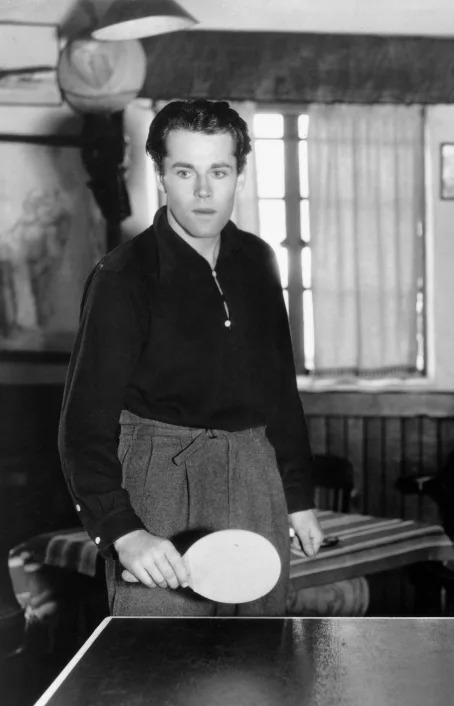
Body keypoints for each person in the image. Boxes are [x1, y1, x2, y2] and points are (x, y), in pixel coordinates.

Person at [58, 99, 323, 617]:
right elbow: (82, 426)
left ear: (239, 177)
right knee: (156, 676)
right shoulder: (121, 278)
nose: (203, 191)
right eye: (185, 171)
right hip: (157, 488)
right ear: (160, 176)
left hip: (255, 479)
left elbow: (279, 394)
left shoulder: (258, 261)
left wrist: (298, 497)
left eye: (218, 171)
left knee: (259, 672)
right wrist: (122, 530)